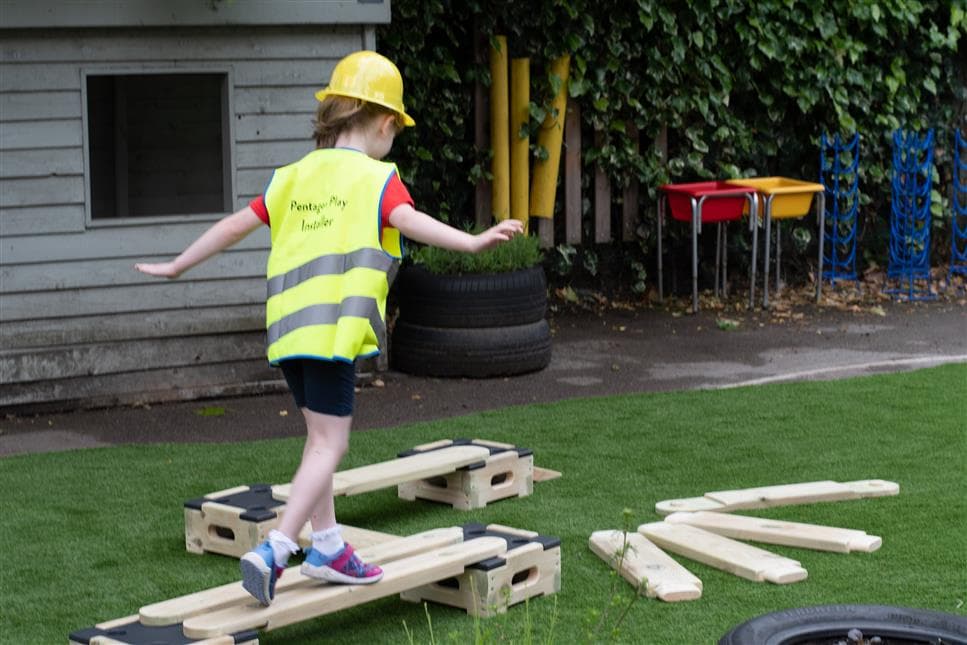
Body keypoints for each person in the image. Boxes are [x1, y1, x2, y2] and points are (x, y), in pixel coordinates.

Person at [135, 51, 523, 606]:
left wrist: (177, 265)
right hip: (332, 335)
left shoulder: (292, 177)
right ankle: (276, 549)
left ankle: (329, 547)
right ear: (386, 122)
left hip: (288, 337)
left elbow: (233, 226)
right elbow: (413, 223)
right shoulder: (377, 179)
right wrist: (475, 240)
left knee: (317, 439)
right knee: (332, 443)